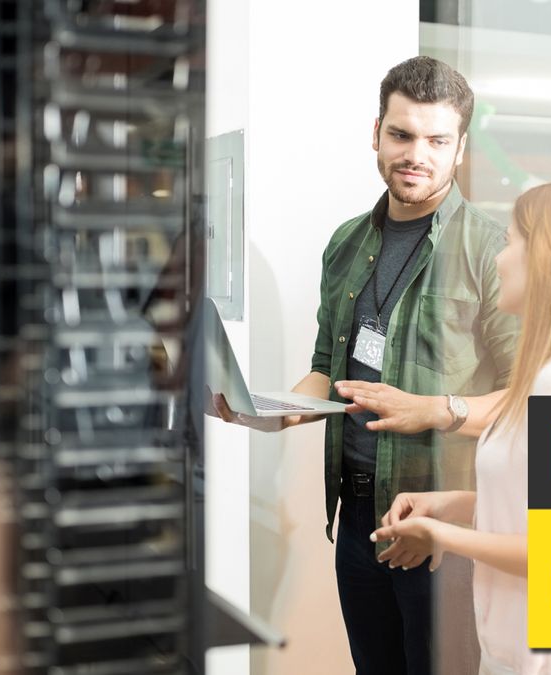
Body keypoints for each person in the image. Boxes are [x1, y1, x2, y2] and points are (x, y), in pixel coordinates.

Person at [210, 56, 520, 675]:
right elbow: (327, 367)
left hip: (443, 531)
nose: (416, 155)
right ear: (376, 131)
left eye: (437, 140)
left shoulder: (492, 250)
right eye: (401, 135)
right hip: (357, 521)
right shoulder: (346, 243)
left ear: (459, 149)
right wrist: (276, 412)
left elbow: (526, 399)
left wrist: (434, 410)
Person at [357, 181, 551, 675]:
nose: (500, 258)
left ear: (547, 257)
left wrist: (440, 532)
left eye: (509, 242)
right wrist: (455, 505)